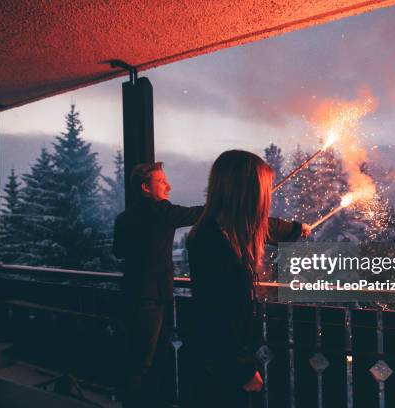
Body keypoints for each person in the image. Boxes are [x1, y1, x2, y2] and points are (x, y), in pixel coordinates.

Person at [187, 150, 310, 408]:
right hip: (222, 364)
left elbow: (269, 226)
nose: (268, 196)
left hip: (217, 359)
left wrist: (296, 230)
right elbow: (219, 312)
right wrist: (241, 368)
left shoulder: (219, 231)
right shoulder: (214, 242)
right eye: (264, 188)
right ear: (247, 191)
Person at [113, 162, 203, 408]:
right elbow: (200, 214)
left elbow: (118, 252)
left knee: (137, 355)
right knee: (144, 361)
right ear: (145, 187)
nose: (169, 186)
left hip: (132, 292)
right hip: (153, 296)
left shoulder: (124, 218)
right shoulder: (163, 211)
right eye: (162, 181)